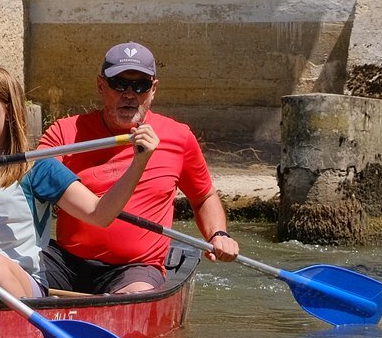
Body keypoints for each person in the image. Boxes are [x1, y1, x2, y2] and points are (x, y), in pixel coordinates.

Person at [0, 66, 159, 298]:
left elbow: (99, 214)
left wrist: (139, 162)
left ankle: (15, 328)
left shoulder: (37, 166)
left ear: (9, 111)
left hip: (20, 281)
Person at [38, 41, 240, 294]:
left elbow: (203, 197)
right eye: (119, 84)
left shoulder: (179, 137)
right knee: (10, 271)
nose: (130, 94)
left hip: (135, 268)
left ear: (153, 90)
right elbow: (31, 182)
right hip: (65, 261)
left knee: (135, 293)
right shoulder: (64, 133)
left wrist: (218, 234)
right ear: (101, 86)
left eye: (140, 85)